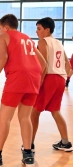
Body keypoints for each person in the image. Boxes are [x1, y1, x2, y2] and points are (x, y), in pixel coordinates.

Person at [0, 14, 47, 167]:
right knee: (25, 117)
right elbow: (44, 63)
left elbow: (2, 58)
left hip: (17, 78)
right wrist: (38, 82)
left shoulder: (3, 37)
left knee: (4, 118)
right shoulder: (27, 37)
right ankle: (28, 156)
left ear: (6, 28)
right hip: (33, 78)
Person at [31, 17, 73, 152]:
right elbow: (68, 66)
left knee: (34, 112)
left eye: (39, 29)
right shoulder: (58, 43)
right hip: (60, 79)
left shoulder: (43, 42)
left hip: (49, 78)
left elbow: (43, 66)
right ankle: (65, 142)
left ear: (47, 30)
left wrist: (39, 83)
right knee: (55, 111)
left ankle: (28, 144)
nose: (36, 32)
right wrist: (65, 78)